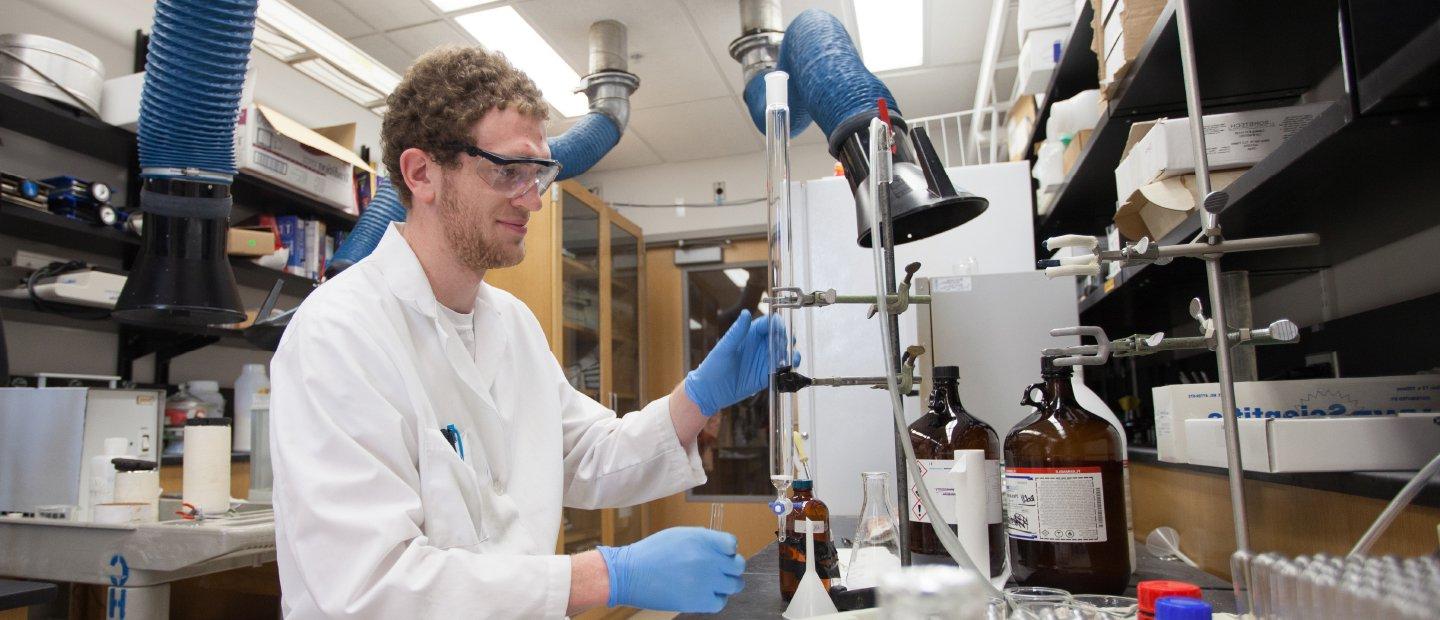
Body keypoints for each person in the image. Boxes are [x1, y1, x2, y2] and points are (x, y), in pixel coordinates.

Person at [270, 47, 788, 618]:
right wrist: (605, 577)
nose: (534, 198)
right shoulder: (338, 332)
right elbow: (373, 585)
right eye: (508, 171)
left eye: (539, 173)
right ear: (422, 174)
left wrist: (698, 399)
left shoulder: (511, 323)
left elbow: (585, 454)